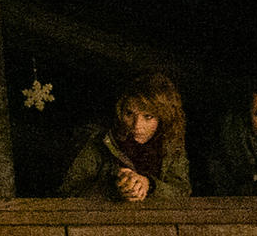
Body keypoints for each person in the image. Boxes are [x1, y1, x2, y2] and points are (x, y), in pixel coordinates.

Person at [57, 72, 190, 202]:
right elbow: (68, 192)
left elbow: (182, 192)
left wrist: (149, 185)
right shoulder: (99, 141)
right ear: (121, 111)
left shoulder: (170, 144)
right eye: (129, 114)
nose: (137, 125)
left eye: (148, 117)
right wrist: (115, 187)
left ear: (163, 118)